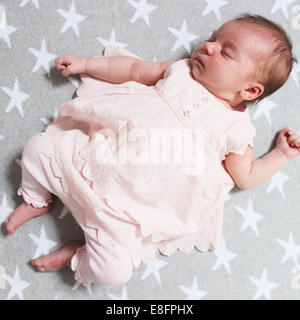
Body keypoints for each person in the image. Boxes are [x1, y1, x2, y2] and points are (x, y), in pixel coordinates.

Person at [5, 14, 300, 288]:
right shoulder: (180, 72)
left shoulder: (236, 130)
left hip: (126, 214)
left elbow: (245, 176)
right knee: (37, 149)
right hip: (93, 161)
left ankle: (76, 255)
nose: (208, 47)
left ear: (250, 90)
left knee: (114, 273)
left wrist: (281, 155)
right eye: (213, 38)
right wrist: (86, 65)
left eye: (225, 51)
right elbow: (133, 69)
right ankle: (37, 199)